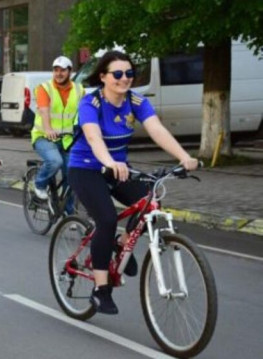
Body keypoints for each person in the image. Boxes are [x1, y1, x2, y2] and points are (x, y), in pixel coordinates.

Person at [68, 51, 199, 315]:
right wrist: (108, 162)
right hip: (86, 167)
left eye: (128, 73)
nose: (124, 79)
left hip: (118, 169)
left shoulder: (135, 100)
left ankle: (122, 242)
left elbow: (157, 129)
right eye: (117, 74)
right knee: (105, 219)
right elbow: (93, 138)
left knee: (151, 199)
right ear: (103, 77)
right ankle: (100, 290)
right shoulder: (90, 102)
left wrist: (184, 157)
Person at [30, 56, 84, 214]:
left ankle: (69, 211)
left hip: (67, 139)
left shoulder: (79, 90)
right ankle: (39, 184)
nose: (59, 73)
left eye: (63, 70)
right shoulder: (45, 88)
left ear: (70, 71)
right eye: (56, 70)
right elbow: (44, 110)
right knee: (55, 161)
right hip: (43, 136)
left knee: (73, 174)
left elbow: (84, 113)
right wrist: (48, 129)